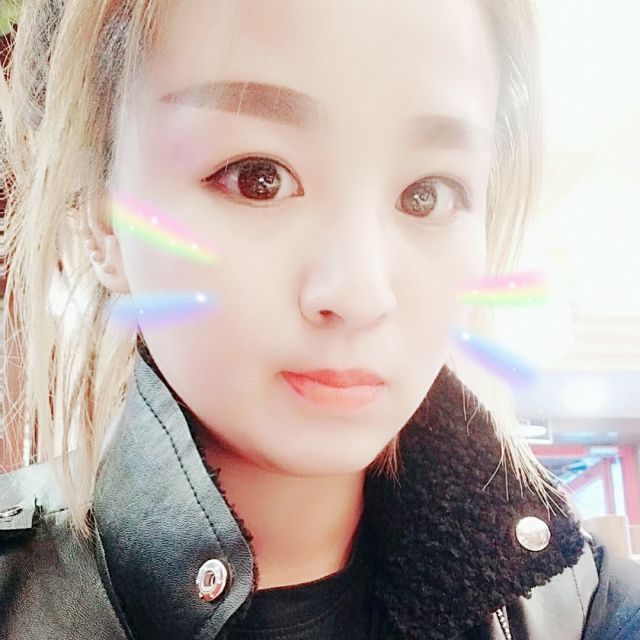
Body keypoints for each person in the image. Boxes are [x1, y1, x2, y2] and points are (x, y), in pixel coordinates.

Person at [1, 0, 639, 638]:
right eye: (258, 178)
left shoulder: (586, 607)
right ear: (105, 224)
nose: (361, 293)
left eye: (427, 195)